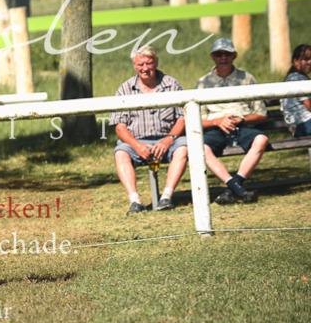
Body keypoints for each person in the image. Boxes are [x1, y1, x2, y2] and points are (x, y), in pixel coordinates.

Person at [109, 47, 188, 215]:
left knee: (183, 147)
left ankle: (166, 197)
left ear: (156, 62)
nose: (145, 68)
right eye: (140, 64)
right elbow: (120, 127)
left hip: (168, 139)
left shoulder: (172, 85)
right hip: (137, 141)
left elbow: (182, 118)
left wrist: (168, 140)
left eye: (149, 63)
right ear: (134, 65)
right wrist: (137, 146)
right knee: (121, 152)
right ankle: (135, 202)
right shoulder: (125, 89)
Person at [194, 38, 268, 205]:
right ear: (212, 56)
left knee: (261, 139)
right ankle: (239, 190)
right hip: (216, 128)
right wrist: (217, 121)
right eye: (219, 54)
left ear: (234, 55)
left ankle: (231, 190)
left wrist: (242, 119)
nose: (223, 58)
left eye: (227, 54)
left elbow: (261, 114)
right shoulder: (203, 83)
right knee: (201, 148)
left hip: (243, 126)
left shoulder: (247, 78)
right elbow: (197, 120)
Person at [281, 44, 311, 137]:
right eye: (306, 59)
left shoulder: (297, 77)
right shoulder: (297, 79)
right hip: (303, 125)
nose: (310, 62)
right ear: (295, 61)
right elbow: (309, 105)